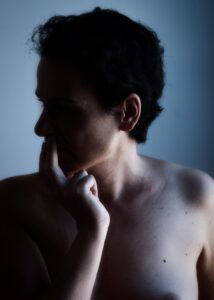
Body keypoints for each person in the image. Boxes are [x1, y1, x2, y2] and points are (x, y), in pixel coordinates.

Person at [0, 6, 213, 300]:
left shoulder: (197, 198)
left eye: (63, 109)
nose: (41, 127)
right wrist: (91, 231)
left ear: (127, 113)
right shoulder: (13, 204)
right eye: (43, 104)